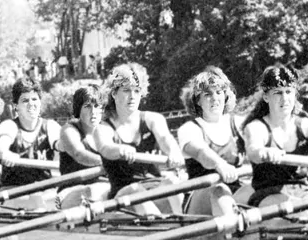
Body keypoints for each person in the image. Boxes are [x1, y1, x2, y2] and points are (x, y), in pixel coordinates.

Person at [242, 64, 308, 219]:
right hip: (268, 193)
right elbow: (253, 151)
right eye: (278, 93)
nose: (285, 99)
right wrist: (264, 152)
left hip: (302, 189)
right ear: (266, 97)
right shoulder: (256, 127)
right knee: (296, 215)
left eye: (288, 92)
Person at [94, 62, 185, 215]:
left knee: (172, 182)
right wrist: (120, 149)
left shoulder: (153, 119)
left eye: (137, 91)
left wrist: (174, 152)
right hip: (123, 196)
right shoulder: (103, 127)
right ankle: (161, 226)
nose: (133, 96)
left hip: (153, 187)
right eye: (126, 90)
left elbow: (165, 138)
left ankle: (182, 222)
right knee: (135, 190)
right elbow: (105, 148)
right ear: (114, 94)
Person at [177, 66, 248, 216]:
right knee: (219, 190)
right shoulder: (189, 129)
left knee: (256, 191)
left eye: (219, 92)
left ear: (226, 96)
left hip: (234, 191)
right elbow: (202, 153)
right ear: (198, 100)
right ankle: (233, 232)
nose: (215, 98)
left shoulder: (240, 124)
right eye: (207, 94)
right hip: (201, 196)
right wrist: (220, 164)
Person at [0, 77, 62, 209]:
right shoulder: (9, 125)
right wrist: (5, 153)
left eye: (34, 99)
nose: (31, 104)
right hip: (14, 191)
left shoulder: (51, 126)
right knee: (36, 201)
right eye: (25, 101)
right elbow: (0, 148)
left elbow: (61, 144)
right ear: (16, 107)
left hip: (45, 190)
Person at [56, 85, 111, 208]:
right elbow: (79, 154)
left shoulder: (108, 131)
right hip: (69, 193)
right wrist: (109, 162)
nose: (93, 112)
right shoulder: (68, 130)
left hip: (103, 189)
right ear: (78, 109)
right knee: (93, 191)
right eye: (87, 106)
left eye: (97, 106)